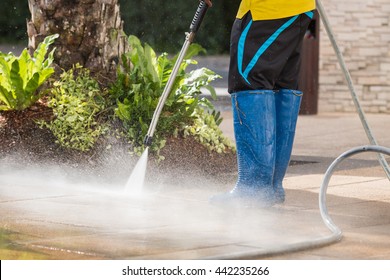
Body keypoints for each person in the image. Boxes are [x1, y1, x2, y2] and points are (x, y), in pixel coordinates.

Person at [205, 0, 316, 207]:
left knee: (249, 81)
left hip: (266, 12)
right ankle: (270, 187)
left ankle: (254, 188)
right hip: (298, 10)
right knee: (280, 86)